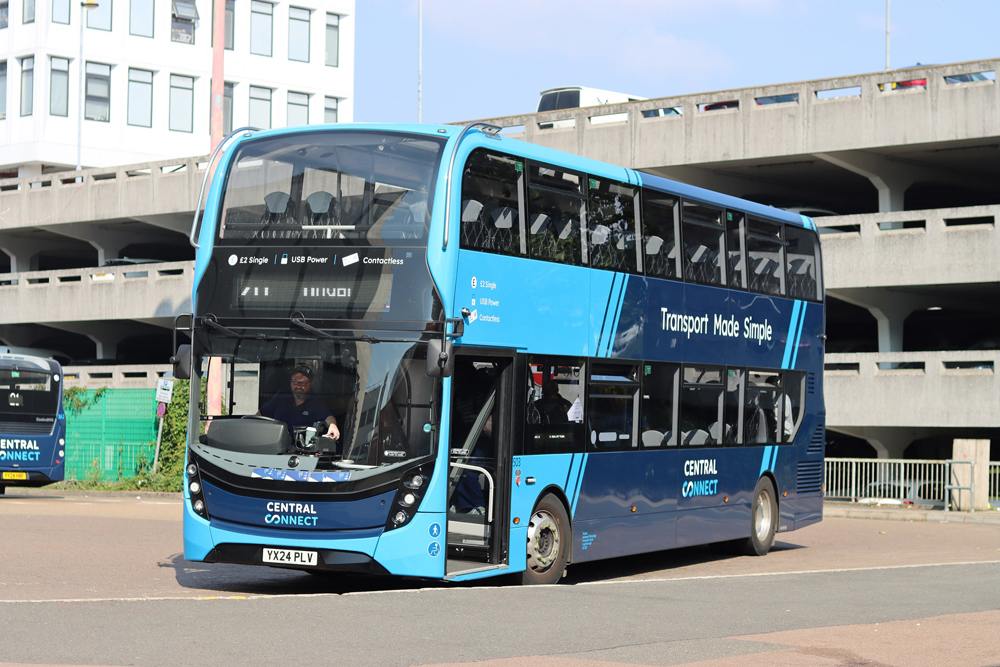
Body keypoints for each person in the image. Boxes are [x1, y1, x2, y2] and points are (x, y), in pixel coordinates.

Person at [257, 364, 340, 439]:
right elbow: (260, 414)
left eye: (303, 383)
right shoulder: (282, 396)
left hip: (302, 449)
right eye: (295, 382)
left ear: (311, 383)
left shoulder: (316, 402)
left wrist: (333, 426)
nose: (298, 386)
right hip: (276, 446)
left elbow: (329, 417)